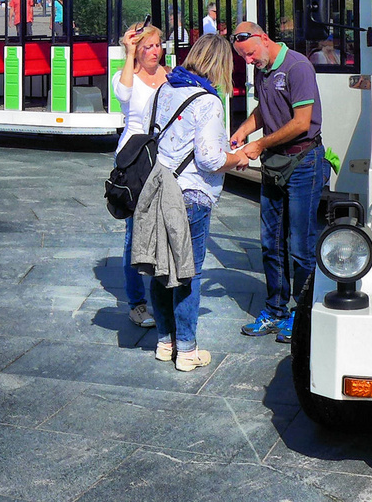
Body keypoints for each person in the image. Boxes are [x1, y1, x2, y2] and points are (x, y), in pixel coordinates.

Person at [138, 33, 231, 372]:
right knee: (188, 275)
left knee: (162, 269)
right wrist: (237, 158)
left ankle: (166, 342)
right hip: (191, 196)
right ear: (218, 65)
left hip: (158, 192)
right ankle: (188, 351)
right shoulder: (207, 101)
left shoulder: (165, 88)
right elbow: (209, 158)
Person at [229, 19, 326, 342]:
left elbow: (301, 123)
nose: (249, 61)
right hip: (276, 162)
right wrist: (246, 129)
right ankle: (275, 309)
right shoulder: (264, 69)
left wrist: (259, 144)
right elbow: (265, 106)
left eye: (251, 53)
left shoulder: (297, 67)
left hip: (302, 161)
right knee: (270, 242)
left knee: (300, 244)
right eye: (244, 57)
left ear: (264, 38)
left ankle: (302, 312)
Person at [114, 22, 169, 328]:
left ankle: (163, 297)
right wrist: (128, 52)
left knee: (165, 230)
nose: (153, 52)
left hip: (165, 158)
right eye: (146, 46)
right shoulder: (127, 77)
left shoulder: (171, 76)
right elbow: (122, 94)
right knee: (134, 235)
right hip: (135, 161)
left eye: (157, 45)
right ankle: (137, 303)